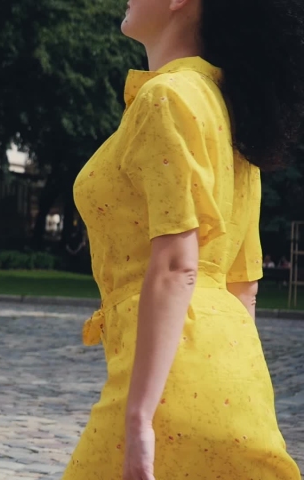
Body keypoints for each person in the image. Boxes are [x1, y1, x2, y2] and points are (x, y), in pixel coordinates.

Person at [65, 0, 304, 479]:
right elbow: (244, 287)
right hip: (236, 384)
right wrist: (240, 397)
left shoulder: (167, 98)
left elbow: (177, 265)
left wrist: (138, 417)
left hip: (168, 390)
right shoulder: (232, 114)